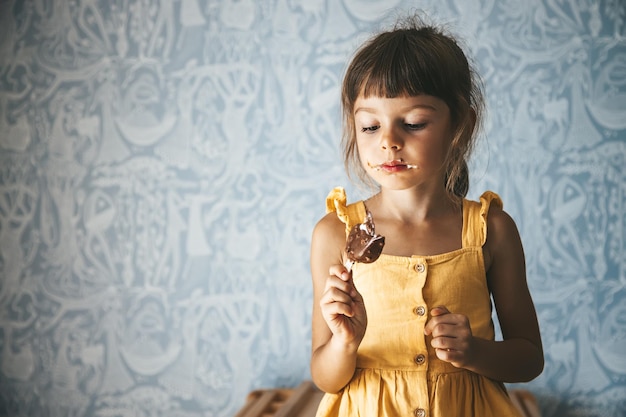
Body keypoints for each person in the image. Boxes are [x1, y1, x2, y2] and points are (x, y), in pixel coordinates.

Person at [309, 13, 544, 417]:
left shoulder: (492, 231)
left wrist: (474, 352)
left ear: (461, 127)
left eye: (414, 122)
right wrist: (344, 343)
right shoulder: (335, 232)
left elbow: (529, 359)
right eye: (370, 126)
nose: (389, 141)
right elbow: (324, 377)